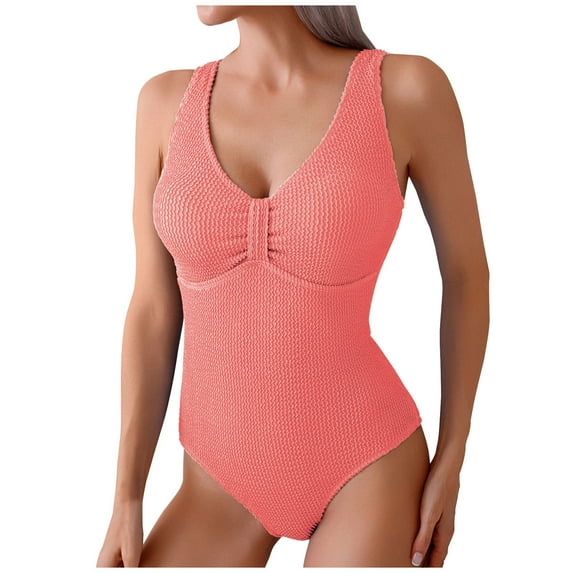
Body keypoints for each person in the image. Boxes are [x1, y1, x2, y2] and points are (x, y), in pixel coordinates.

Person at [96, 5, 489, 568]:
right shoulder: (164, 103)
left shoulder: (404, 90)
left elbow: (466, 274)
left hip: (366, 460)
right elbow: (154, 309)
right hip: (215, 481)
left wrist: (453, 454)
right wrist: (126, 496)